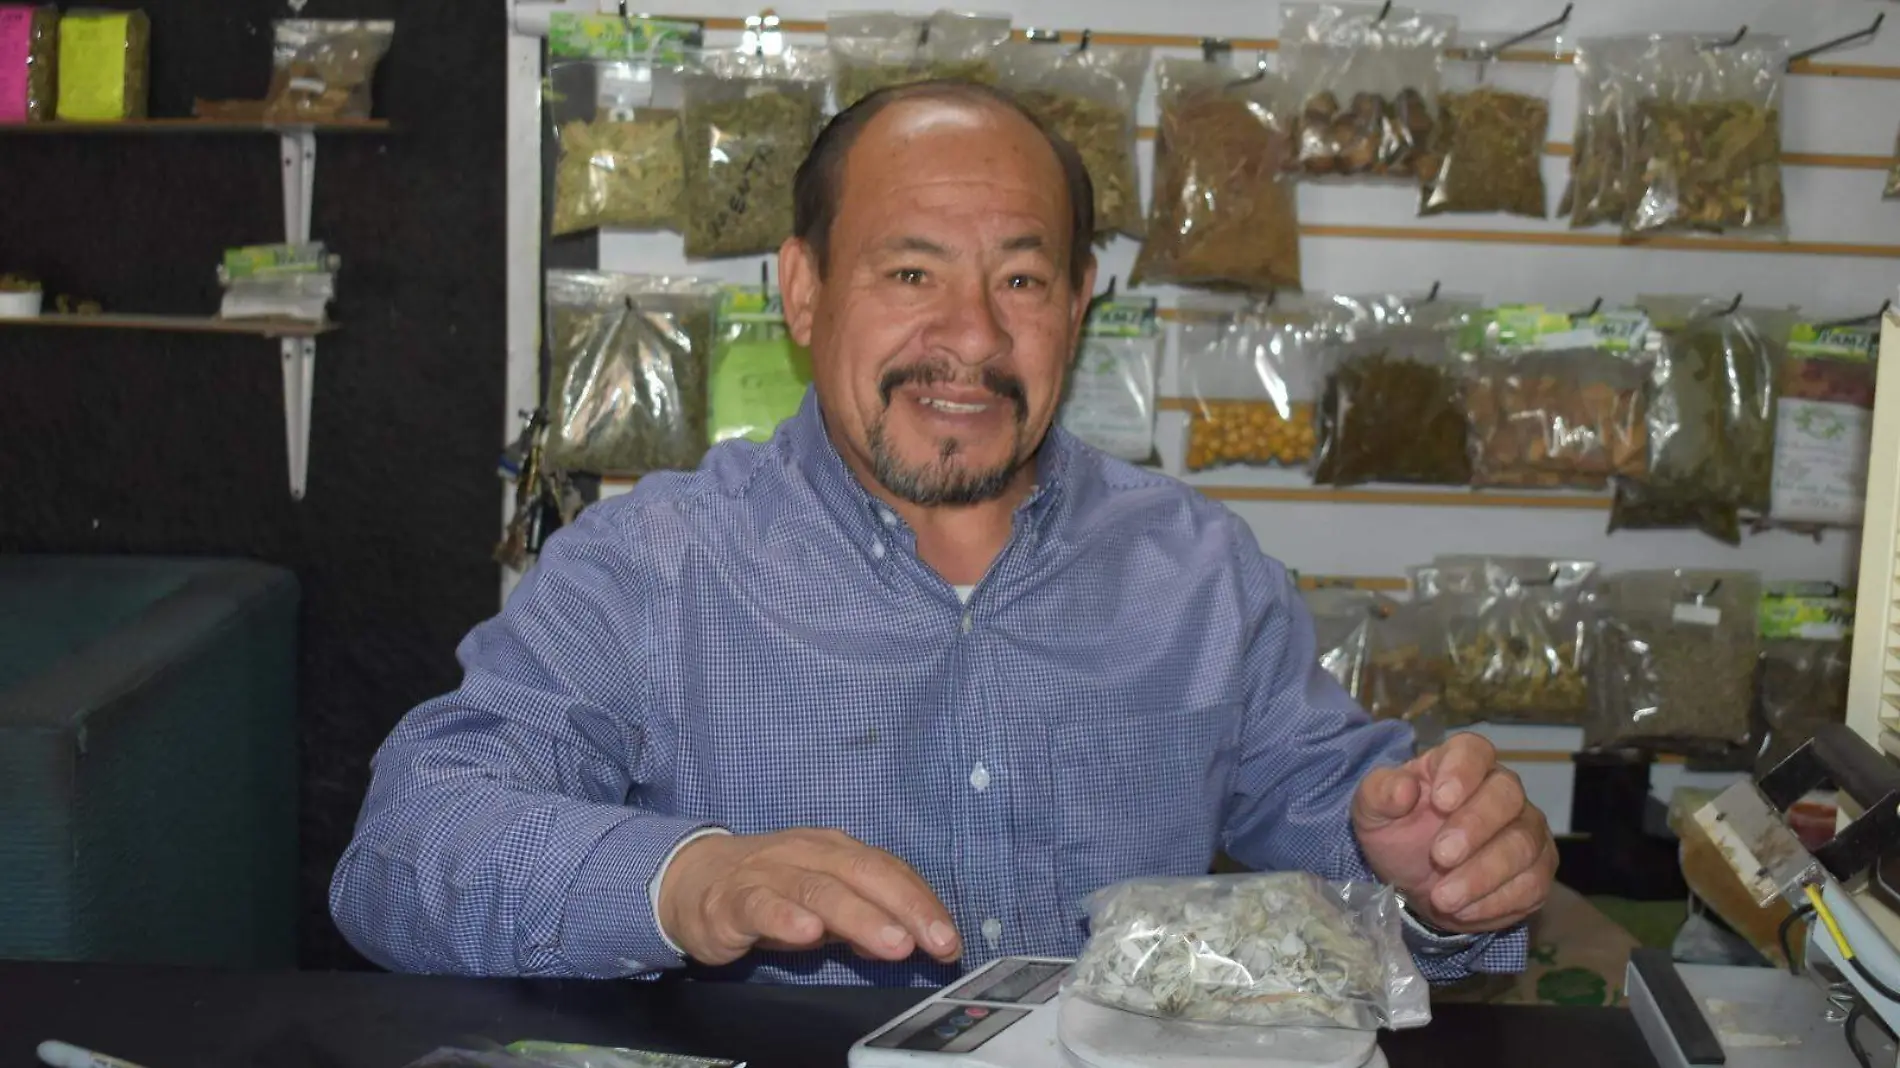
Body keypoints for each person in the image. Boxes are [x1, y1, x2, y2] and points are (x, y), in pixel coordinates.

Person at [330, 81, 1555, 986]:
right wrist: (688, 878)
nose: (971, 337)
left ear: (1078, 304)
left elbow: (1357, 838)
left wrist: (1442, 878)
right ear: (803, 291)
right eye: (910, 274)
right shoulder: (652, 565)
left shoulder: (1199, 573)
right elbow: (402, 854)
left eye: (1020, 280)